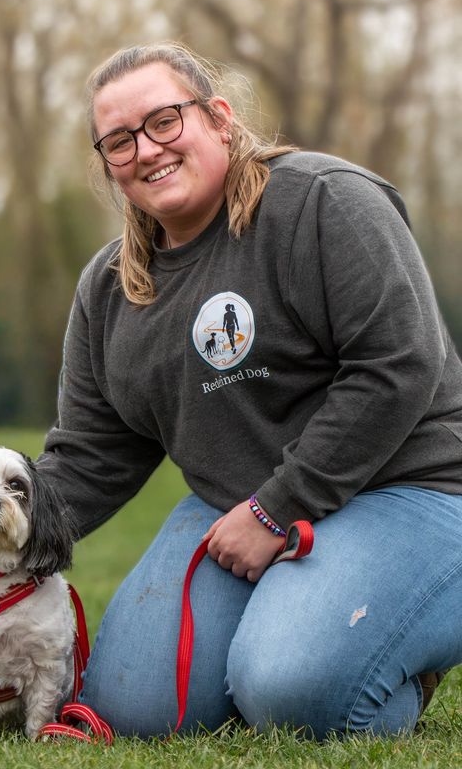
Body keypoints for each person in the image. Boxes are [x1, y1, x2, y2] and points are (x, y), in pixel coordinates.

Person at [43, 42, 462, 738]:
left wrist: (276, 511)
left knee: (290, 690)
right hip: (235, 508)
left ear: (218, 118)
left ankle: (385, 653)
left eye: (164, 122)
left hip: (411, 489)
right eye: (120, 141)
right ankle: (299, 624)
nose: (146, 150)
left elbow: (398, 365)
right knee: (138, 708)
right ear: (109, 165)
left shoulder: (325, 200)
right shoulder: (109, 287)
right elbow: (90, 455)